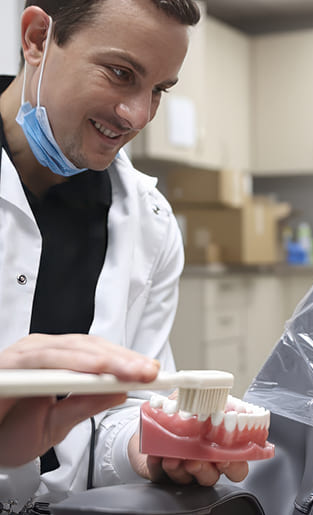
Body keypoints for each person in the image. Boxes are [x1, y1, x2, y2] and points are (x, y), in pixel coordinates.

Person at [0, 0, 247, 505]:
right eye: (120, 73)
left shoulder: (149, 223)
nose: (138, 114)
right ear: (37, 38)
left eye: (159, 90)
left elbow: (119, 412)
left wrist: (150, 445)